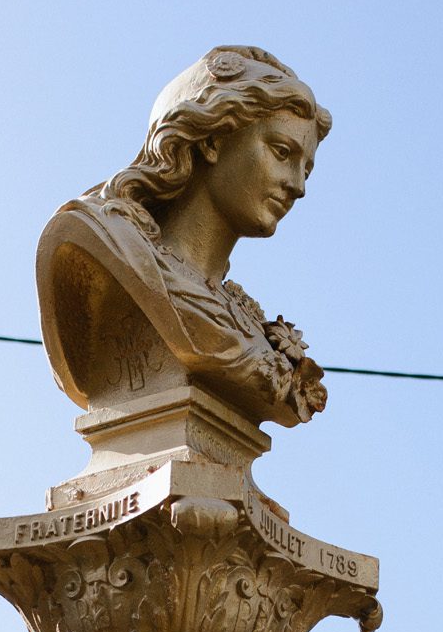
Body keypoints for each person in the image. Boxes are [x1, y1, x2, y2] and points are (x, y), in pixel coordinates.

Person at [37, 46, 331, 428]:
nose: (297, 186)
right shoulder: (104, 239)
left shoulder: (248, 320)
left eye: (306, 169)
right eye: (281, 151)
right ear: (212, 140)